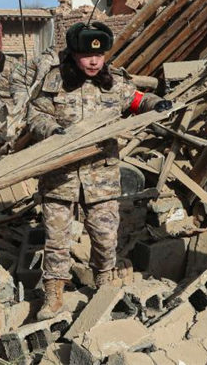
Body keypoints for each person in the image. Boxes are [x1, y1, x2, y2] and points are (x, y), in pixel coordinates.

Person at [27, 22, 172, 319]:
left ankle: (104, 283)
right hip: (61, 176)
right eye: (85, 55)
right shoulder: (55, 81)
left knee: (105, 237)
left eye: (99, 55)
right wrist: (52, 130)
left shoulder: (113, 81)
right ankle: (54, 294)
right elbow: (35, 114)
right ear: (74, 54)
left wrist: (158, 103)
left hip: (100, 176)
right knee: (57, 239)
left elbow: (137, 100)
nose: (93, 61)